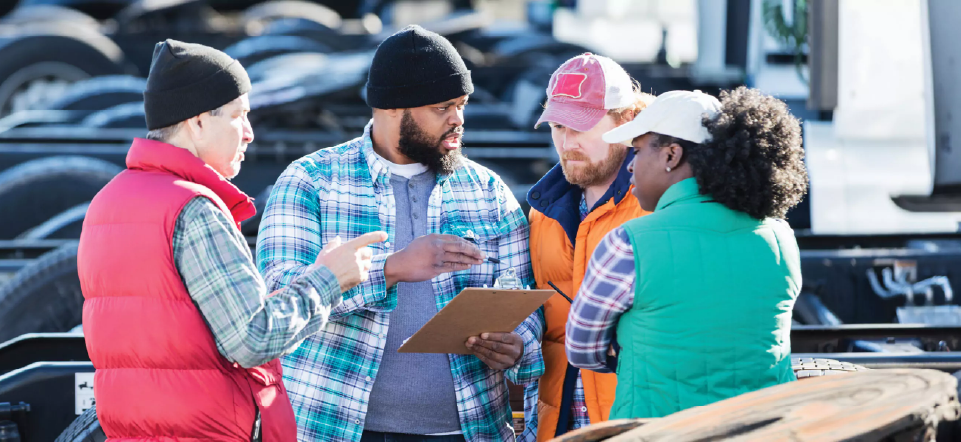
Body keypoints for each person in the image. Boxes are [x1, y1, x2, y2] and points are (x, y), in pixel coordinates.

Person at [77, 39, 386, 441]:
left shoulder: (107, 202)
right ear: (198, 121)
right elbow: (253, 337)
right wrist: (329, 280)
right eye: (240, 116)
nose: (250, 133)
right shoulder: (193, 209)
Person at [255, 25, 543, 442]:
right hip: (335, 429)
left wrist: (516, 348)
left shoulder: (488, 191)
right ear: (392, 108)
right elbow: (277, 299)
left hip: (466, 432)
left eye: (461, 105)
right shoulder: (311, 180)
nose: (458, 119)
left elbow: (525, 304)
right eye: (444, 107)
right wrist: (390, 269)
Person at [565, 87, 809, 419]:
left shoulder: (627, 243)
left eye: (637, 151)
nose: (630, 167)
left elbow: (580, 349)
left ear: (671, 155)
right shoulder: (780, 237)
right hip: (765, 428)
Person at [518, 53, 652, 442]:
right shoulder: (540, 213)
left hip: (633, 425)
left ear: (626, 122)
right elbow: (539, 319)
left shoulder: (656, 206)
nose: (566, 142)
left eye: (581, 126)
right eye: (558, 126)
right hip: (557, 425)